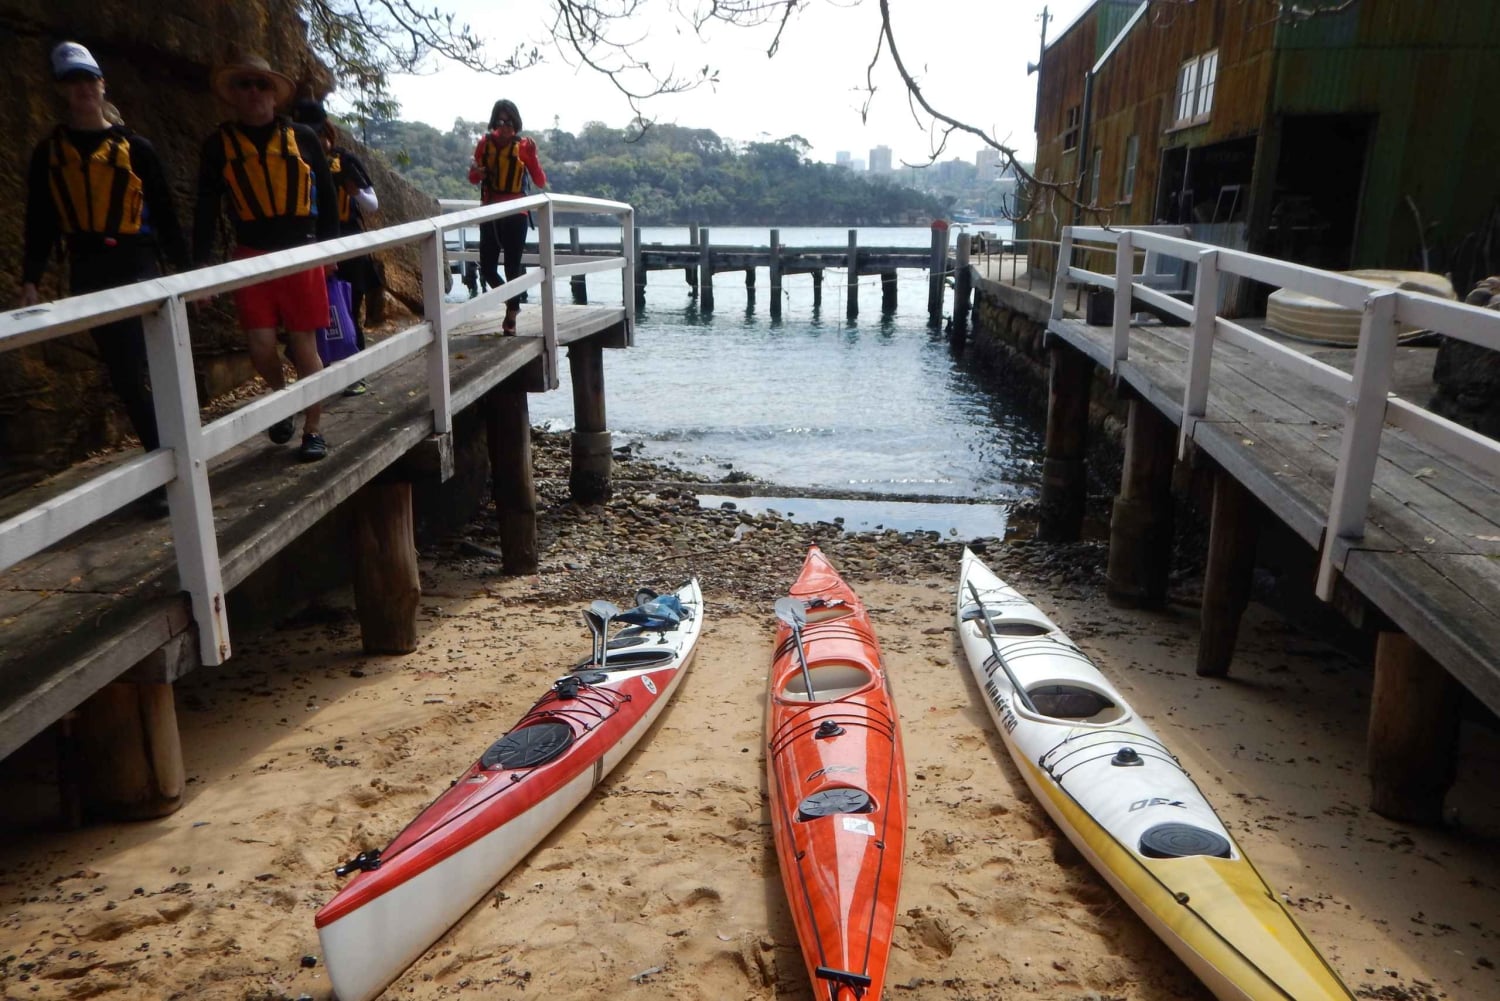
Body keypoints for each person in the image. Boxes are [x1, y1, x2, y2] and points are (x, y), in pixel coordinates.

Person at [20, 41, 190, 512]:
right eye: (72, 82)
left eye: (88, 80)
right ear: (62, 90)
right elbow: (40, 220)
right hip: (88, 269)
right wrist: (31, 278)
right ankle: (162, 468)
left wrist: (189, 276)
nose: (82, 90)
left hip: (136, 265)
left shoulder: (137, 148)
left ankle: (174, 462)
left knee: (150, 365)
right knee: (126, 375)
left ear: (102, 84)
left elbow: (167, 215)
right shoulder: (49, 154)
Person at [193, 55, 338, 461]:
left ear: (274, 94)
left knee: (304, 345)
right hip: (251, 255)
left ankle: (313, 428)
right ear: (233, 95)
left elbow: (327, 197)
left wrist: (331, 249)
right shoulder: (218, 146)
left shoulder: (303, 138)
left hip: (301, 253)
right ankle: (282, 399)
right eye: (245, 85)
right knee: (259, 345)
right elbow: (205, 208)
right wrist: (200, 264)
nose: (254, 92)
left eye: (262, 85)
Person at [292, 98, 378, 395]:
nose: (314, 141)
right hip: (313, 244)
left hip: (349, 243)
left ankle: (356, 373)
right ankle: (322, 371)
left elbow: (373, 204)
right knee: (317, 312)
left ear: (328, 133)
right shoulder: (295, 163)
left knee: (349, 309)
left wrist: (355, 192)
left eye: (318, 135)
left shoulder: (345, 161)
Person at [466, 99, 546, 334]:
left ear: (516, 124)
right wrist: (477, 173)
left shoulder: (523, 146)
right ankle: (513, 304)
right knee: (488, 268)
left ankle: (511, 317)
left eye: (509, 122)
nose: (505, 127)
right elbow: (473, 178)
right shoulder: (484, 144)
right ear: (494, 123)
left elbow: (540, 181)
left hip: (516, 212)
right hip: (490, 210)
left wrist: (532, 157)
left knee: (512, 267)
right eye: (500, 122)